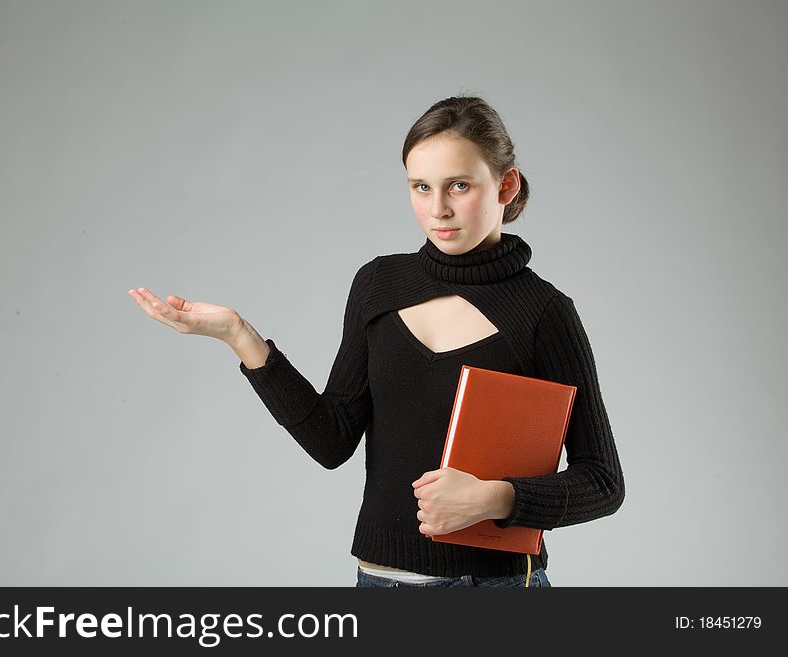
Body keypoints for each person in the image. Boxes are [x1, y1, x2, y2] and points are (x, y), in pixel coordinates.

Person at [128, 95, 625, 588]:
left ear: (506, 184)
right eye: (420, 187)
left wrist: (495, 499)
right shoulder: (378, 285)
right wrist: (239, 335)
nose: (438, 209)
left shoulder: (543, 311)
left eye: (459, 186)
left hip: (493, 588)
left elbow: (603, 482)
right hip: (379, 583)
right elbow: (330, 439)